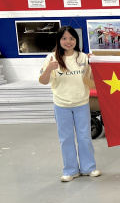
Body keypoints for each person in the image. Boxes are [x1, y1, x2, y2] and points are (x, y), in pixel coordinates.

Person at [39, 26, 100, 182]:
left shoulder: (82, 58)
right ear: (59, 40)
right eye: (64, 38)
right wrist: (49, 69)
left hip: (81, 103)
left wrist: (94, 63)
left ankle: (89, 167)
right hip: (62, 105)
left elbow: (91, 79)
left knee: (84, 137)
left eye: (71, 38)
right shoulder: (51, 58)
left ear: (76, 40)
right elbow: (43, 81)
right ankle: (70, 170)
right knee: (65, 138)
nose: (68, 41)